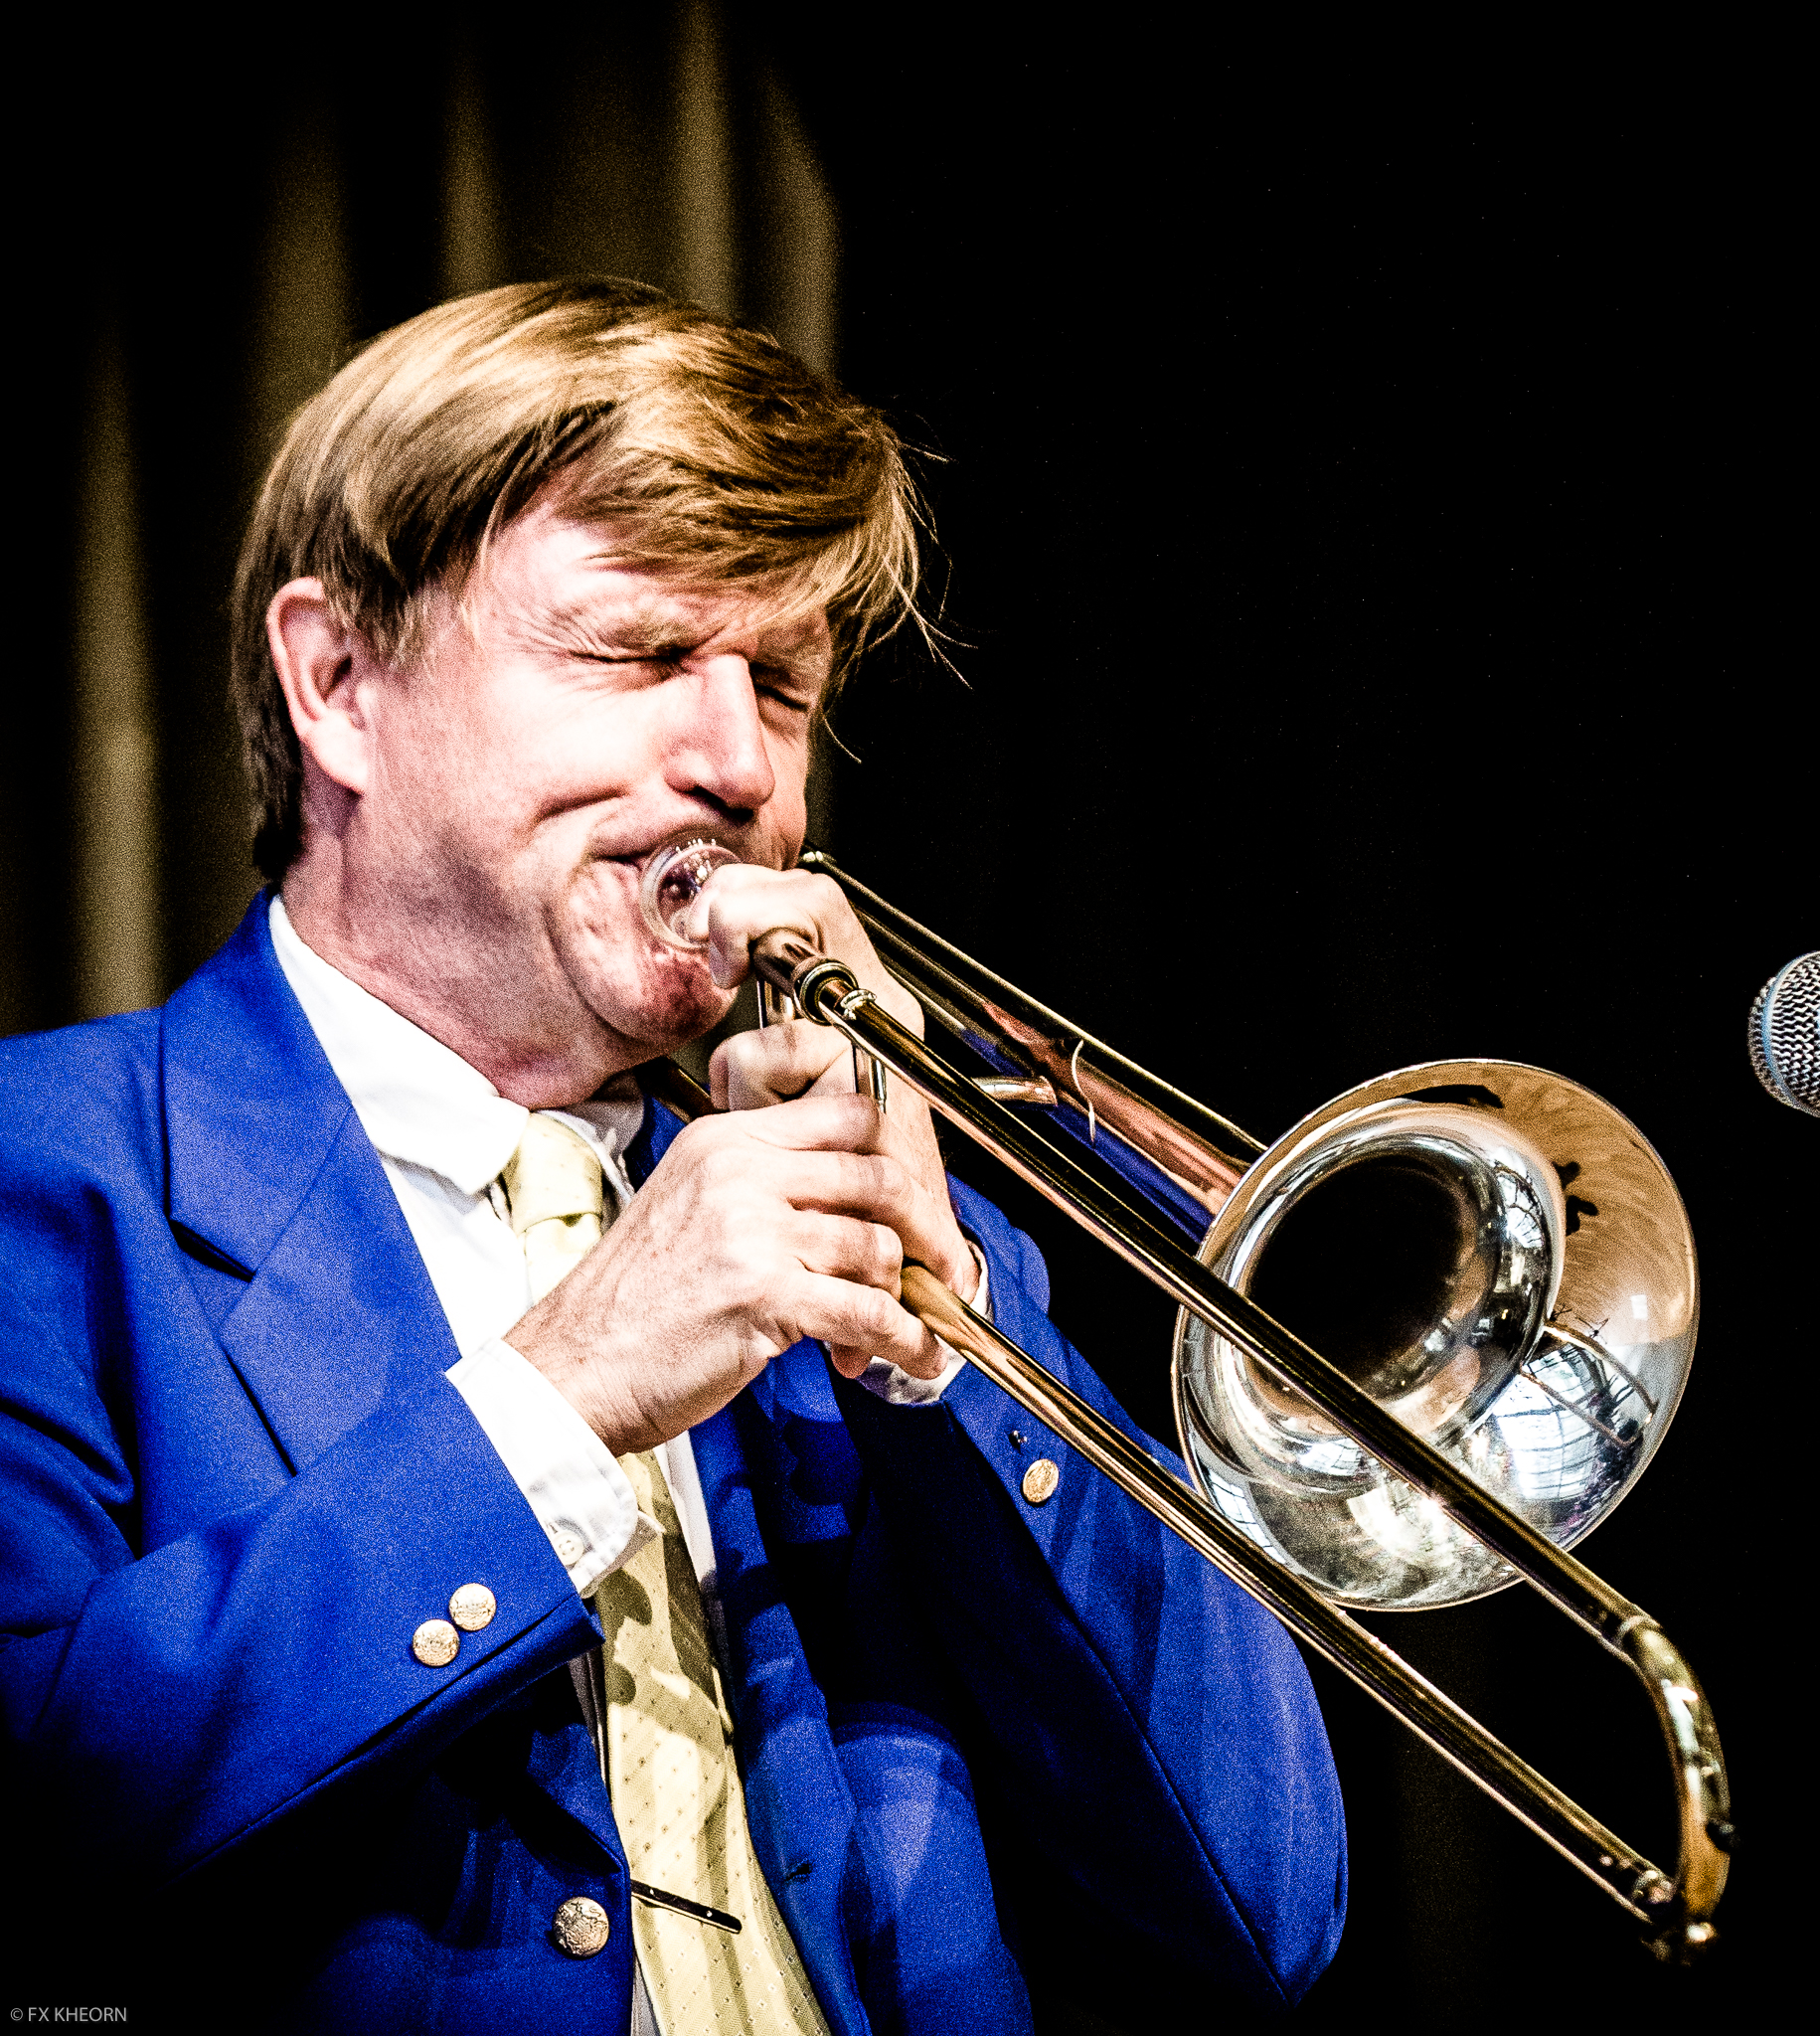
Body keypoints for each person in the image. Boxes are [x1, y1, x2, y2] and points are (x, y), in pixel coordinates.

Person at [0, 278, 1345, 2033]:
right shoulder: (49, 1170)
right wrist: (555, 1400)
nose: (737, 766)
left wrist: (951, 1353)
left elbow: (1263, 1909)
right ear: (339, 685)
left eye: (781, 684)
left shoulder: (872, 1227)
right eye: (639, 655)